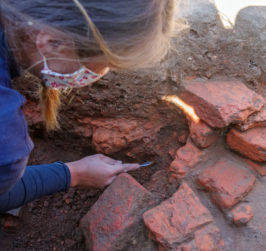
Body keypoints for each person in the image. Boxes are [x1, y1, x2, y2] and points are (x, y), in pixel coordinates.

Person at [0, 0, 181, 214]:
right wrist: (73, 174)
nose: (100, 74)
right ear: (53, 42)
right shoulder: (7, 146)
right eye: (107, 63)